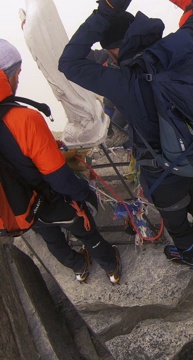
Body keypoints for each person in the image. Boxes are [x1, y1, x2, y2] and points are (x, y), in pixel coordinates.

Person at [59, 0, 193, 268]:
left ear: (113, 48)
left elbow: (68, 61)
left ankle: (189, 255)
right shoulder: (178, 44)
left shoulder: (120, 81)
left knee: (174, 215)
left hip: (160, 167)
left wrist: (105, 11)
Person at [0, 39, 121, 284]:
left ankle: (79, 267)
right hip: (52, 199)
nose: (19, 79)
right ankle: (111, 268)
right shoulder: (24, 119)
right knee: (86, 231)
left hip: (21, 206)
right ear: (6, 75)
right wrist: (84, 194)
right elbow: (60, 178)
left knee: (52, 240)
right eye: (17, 73)